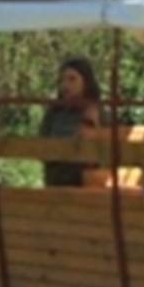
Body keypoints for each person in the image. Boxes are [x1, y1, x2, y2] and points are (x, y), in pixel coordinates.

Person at [39, 56, 104, 188]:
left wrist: (93, 125)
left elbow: (104, 156)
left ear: (86, 82)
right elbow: (41, 147)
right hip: (56, 185)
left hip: (88, 189)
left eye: (72, 79)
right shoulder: (54, 112)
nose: (65, 85)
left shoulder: (98, 112)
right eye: (62, 80)